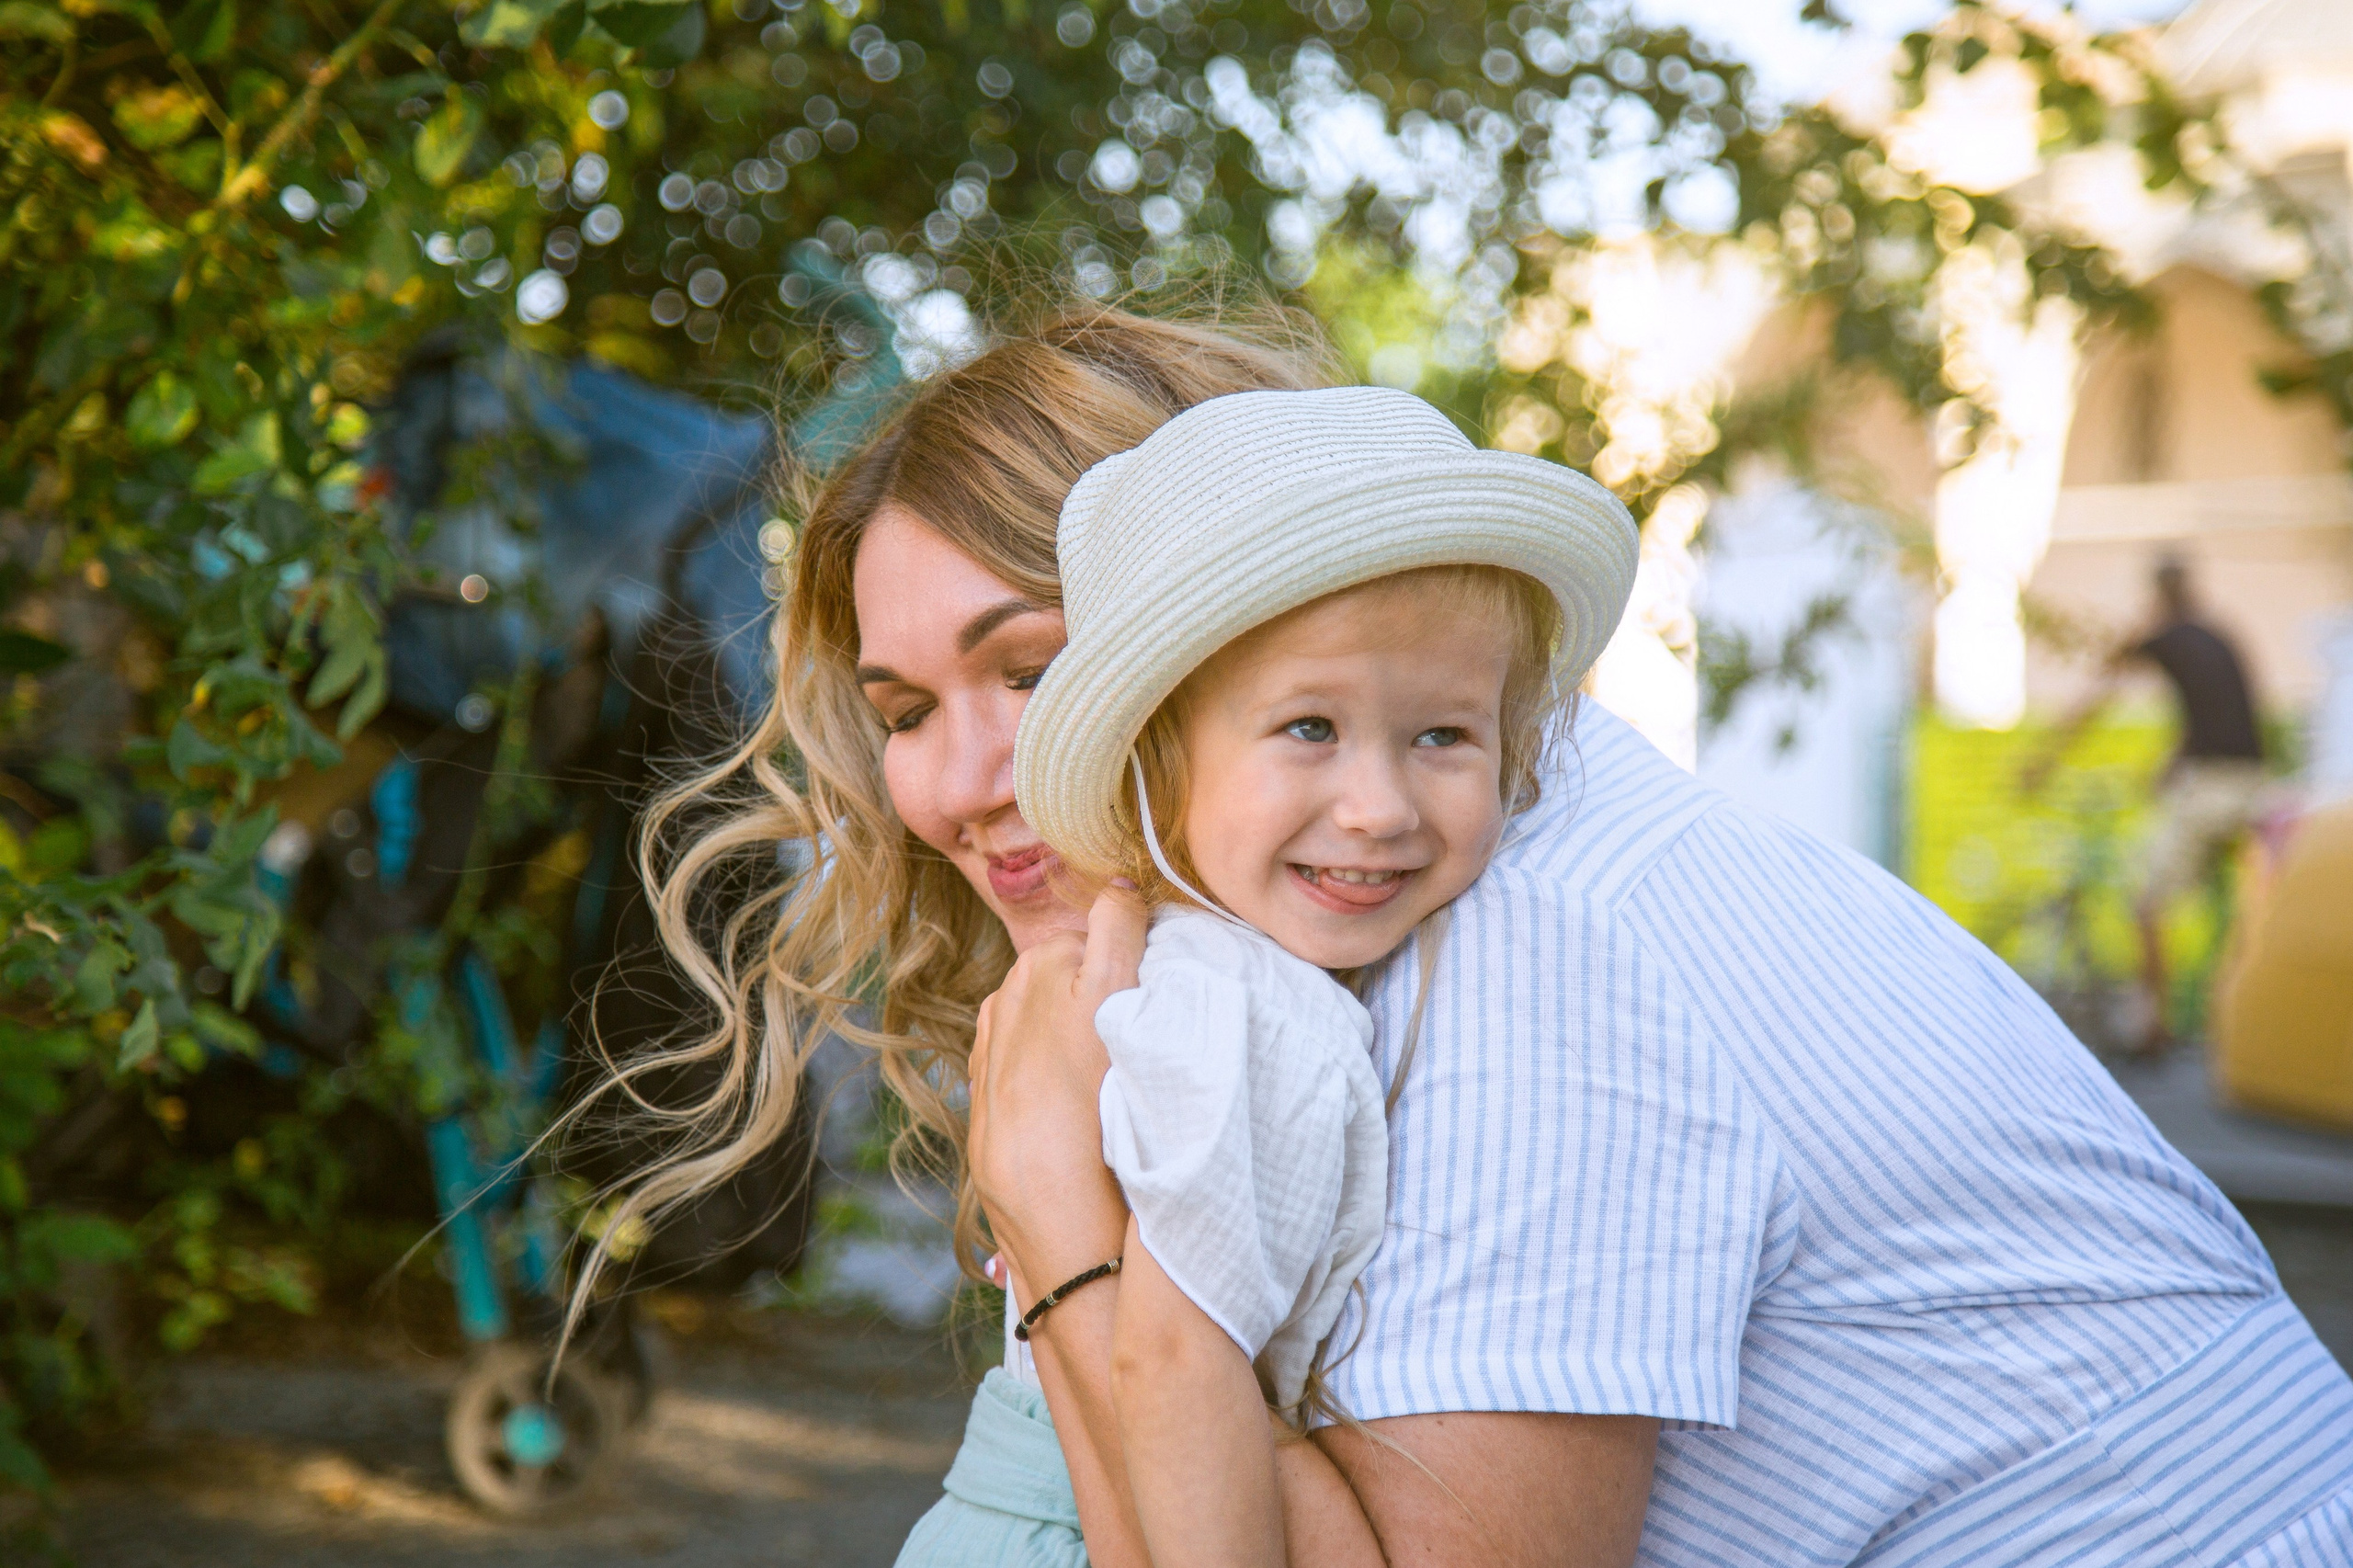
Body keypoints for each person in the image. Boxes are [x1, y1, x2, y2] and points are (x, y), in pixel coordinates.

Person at [590, 301, 2353, 1566]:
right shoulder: (1313, 938)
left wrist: (1063, 1214)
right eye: (903, 706)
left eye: (1037, 673)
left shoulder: (1523, 949)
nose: (971, 783)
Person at [895, 384, 1637, 1566]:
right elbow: (1171, 1355)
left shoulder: (1228, 977)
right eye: (1308, 727)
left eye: (1444, 733)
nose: (1380, 807)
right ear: (1162, 758)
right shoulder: (1250, 1011)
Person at [2035, 555, 2268, 1051]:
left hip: (2212, 787)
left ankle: (2152, 1026)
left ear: (2159, 595)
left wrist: (2043, 761)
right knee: (2239, 903)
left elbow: (2099, 694)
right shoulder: (2220, 636)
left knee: (2146, 903)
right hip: (2252, 782)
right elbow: (2226, 713)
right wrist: (2175, 759)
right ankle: (2232, 1007)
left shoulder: (2166, 636)